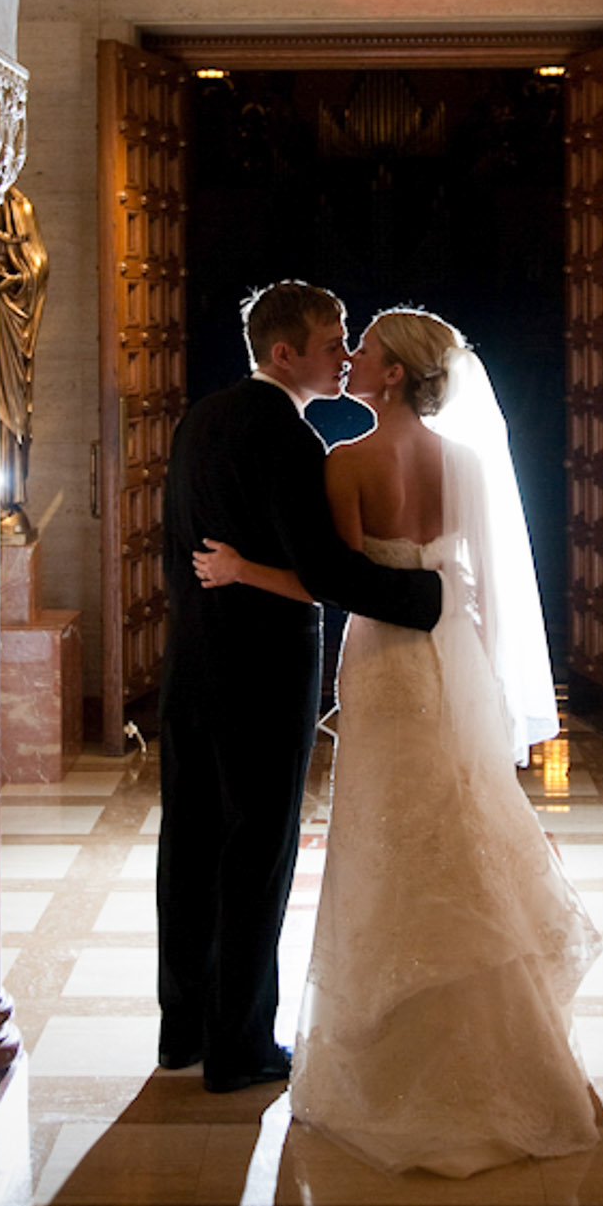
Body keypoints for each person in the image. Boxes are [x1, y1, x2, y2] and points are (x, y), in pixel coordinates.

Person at [194, 308, 601, 1176]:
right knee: (458, 824)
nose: (351, 357)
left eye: (367, 348)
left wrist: (239, 569)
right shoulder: (465, 463)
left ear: (392, 375)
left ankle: (391, 1059)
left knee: (383, 839)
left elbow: (333, 582)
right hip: (452, 660)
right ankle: (500, 1039)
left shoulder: (347, 461)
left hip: (383, 665)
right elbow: (469, 585)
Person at [157, 281, 442, 1095]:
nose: (345, 355)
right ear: (284, 354)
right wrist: (430, 598)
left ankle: (183, 1029)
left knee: (190, 844)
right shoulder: (287, 437)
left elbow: (178, 549)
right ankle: (241, 1045)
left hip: (191, 665)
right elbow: (328, 575)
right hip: (262, 673)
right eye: (332, 342)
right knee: (258, 850)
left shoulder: (199, 418)